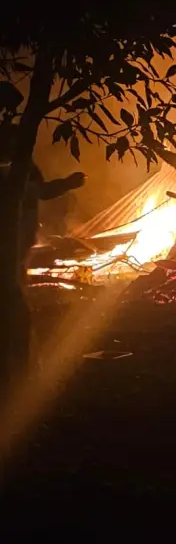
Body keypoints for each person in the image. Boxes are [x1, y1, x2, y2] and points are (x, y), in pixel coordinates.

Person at [2, 162, 84, 387]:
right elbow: (39, 191)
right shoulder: (11, 174)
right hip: (7, 259)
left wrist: (67, 184)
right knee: (16, 319)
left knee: (18, 318)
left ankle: (19, 378)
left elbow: (41, 191)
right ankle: (18, 382)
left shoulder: (22, 168)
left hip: (15, 259)